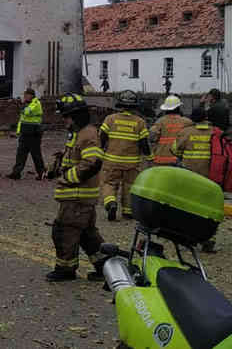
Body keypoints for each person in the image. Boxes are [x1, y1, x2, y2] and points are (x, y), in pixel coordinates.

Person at [47, 93, 107, 282]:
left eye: (65, 116)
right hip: (79, 198)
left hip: (77, 197)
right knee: (86, 235)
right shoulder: (78, 133)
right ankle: (106, 268)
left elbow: (93, 162)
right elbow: (76, 159)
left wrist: (68, 178)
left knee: (64, 230)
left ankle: (65, 269)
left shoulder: (87, 134)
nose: (64, 120)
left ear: (76, 116)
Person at [171, 106, 218, 253]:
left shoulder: (186, 132)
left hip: (189, 176)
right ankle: (208, 238)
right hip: (210, 177)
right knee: (209, 209)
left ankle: (187, 236)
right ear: (206, 118)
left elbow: (175, 150)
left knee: (188, 206)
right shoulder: (215, 132)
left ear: (192, 119)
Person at [98, 90, 150, 221]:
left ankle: (111, 203)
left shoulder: (110, 119)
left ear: (120, 104)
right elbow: (144, 144)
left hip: (111, 160)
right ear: (134, 106)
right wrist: (150, 157)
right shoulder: (140, 122)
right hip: (132, 163)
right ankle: (127, 211)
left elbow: (102, 138)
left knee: (108, 183)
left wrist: (99, 152)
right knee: (129, 186)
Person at [7, 88, 45, 180]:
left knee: (36, 155)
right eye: (24, 95)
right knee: (20, 154)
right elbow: (22, 120)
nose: (25, 97)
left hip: (34, 134)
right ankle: (16, 173)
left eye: (26, 95)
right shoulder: (27, 104)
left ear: (31, 95)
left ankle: (42, 173)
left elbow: (27, 112)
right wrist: (18, 132)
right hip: (25, 133)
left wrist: (19, 104)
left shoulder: (36, 103)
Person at [148, 95, 193, 165]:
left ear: (166, 109)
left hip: (161, 159)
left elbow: (151, 137)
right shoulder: (187, 122)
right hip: (179, 160)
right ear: (179, 108)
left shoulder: (160, 121)